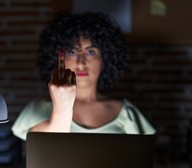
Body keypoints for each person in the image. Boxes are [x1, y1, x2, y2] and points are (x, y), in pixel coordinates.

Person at [12, 12, 155, 140]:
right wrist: (62, 107)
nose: (81, 63)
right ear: (58, 58)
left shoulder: (126, 113)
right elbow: (46, 151)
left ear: (105, 58)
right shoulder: (38, 109)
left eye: (90, 52)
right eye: (73, 52)